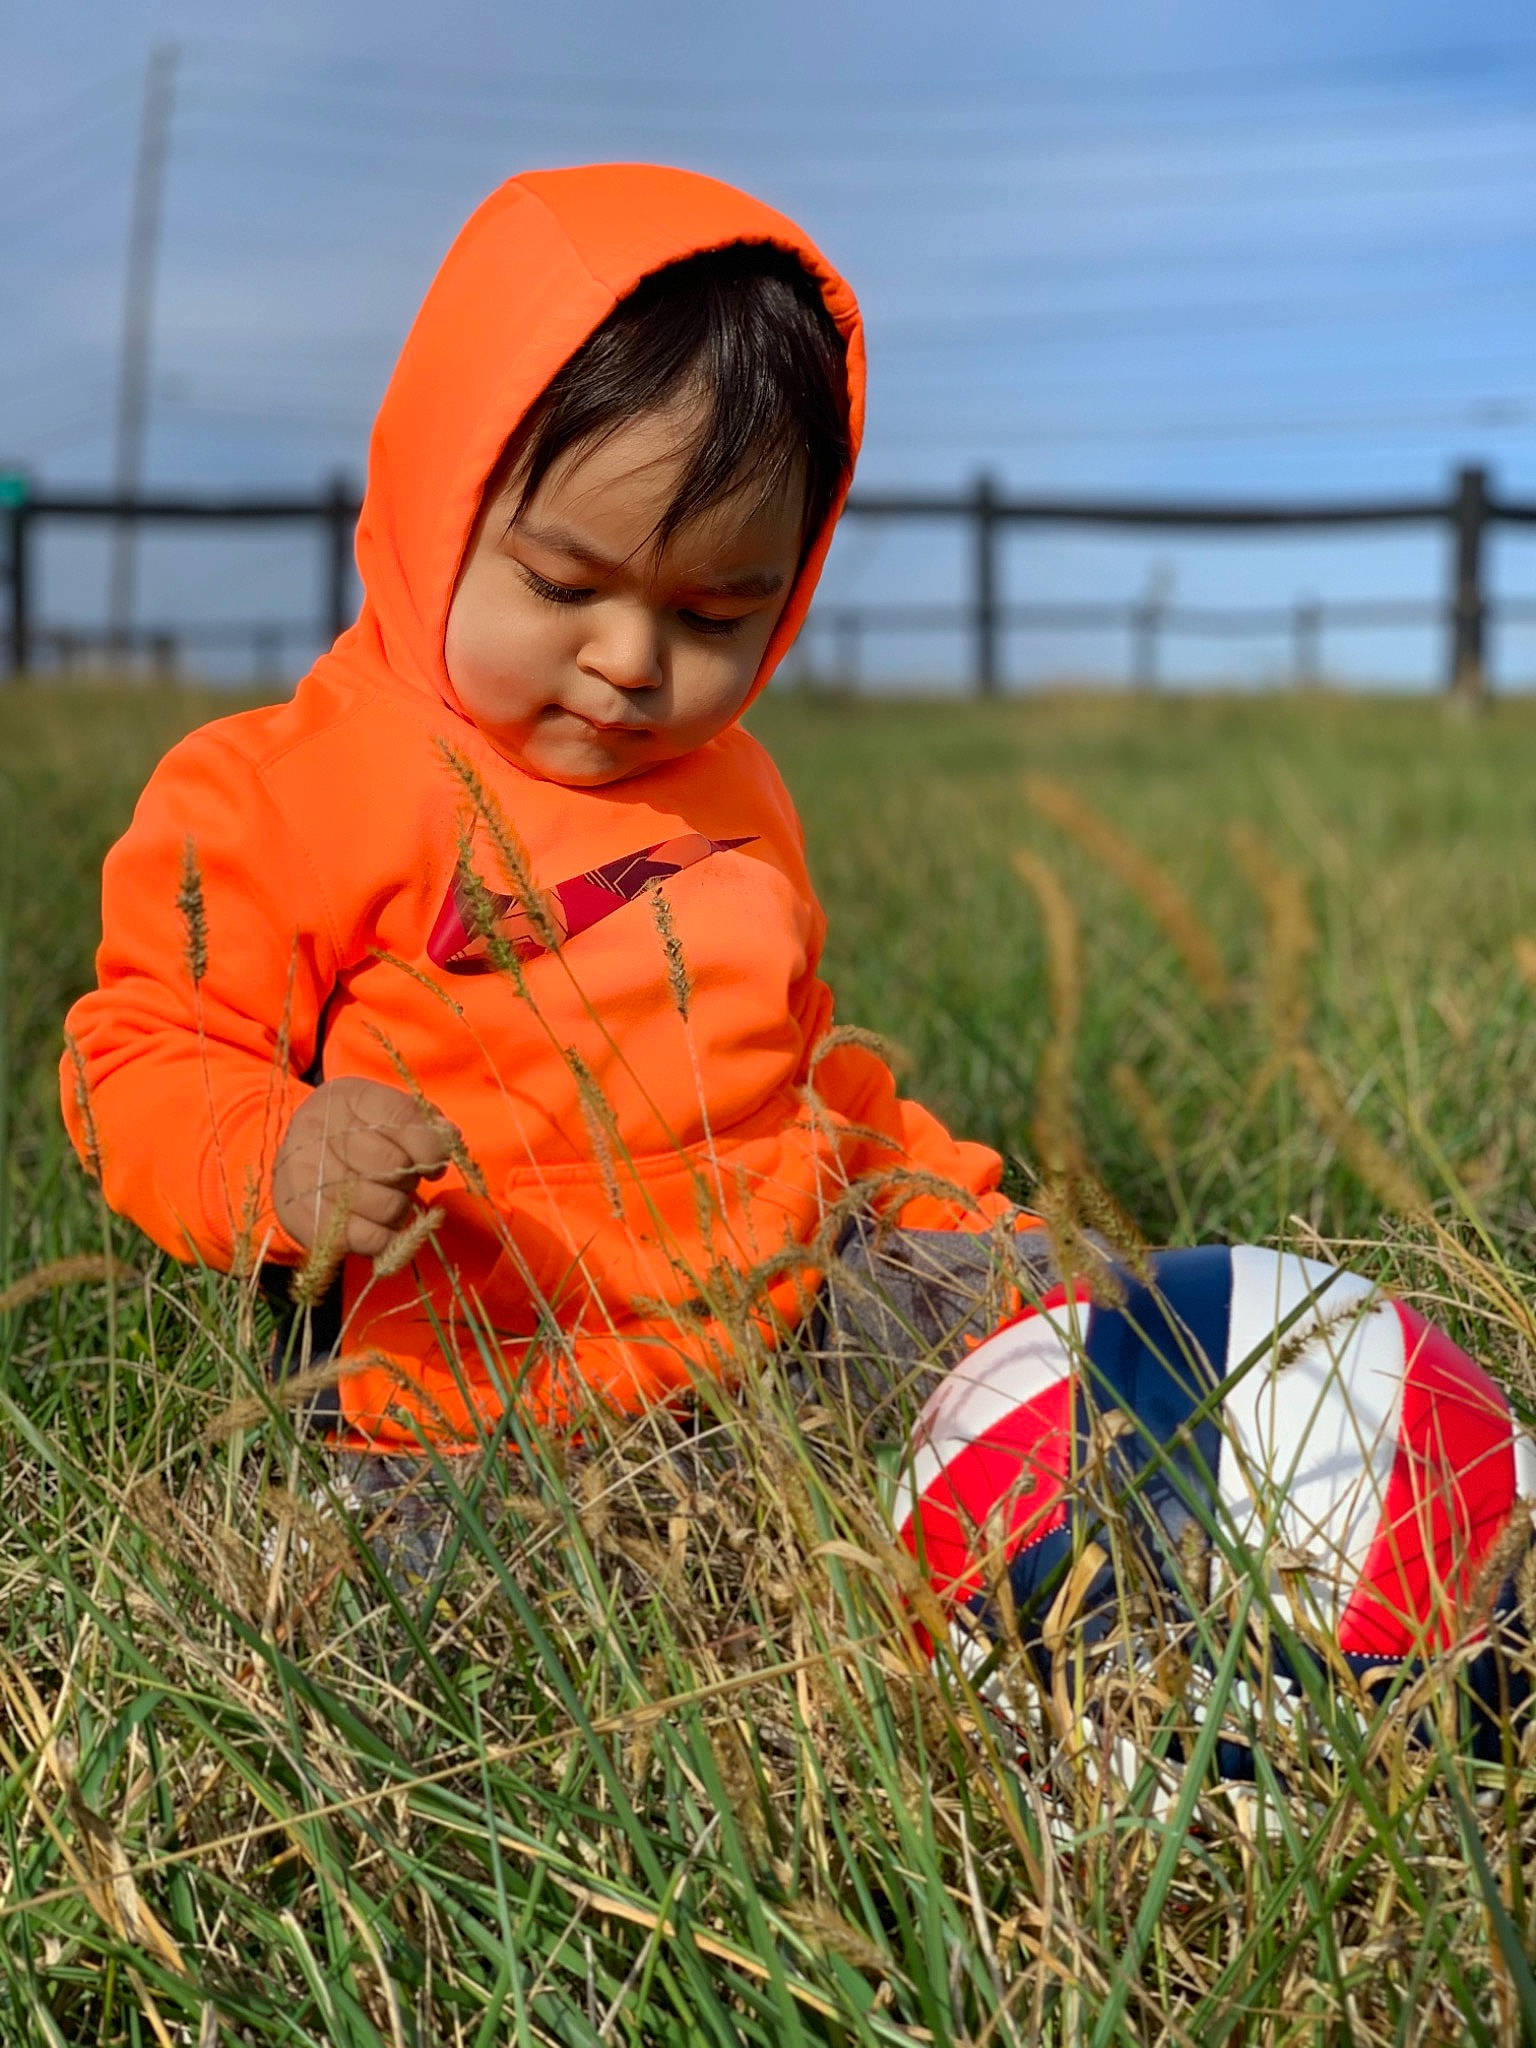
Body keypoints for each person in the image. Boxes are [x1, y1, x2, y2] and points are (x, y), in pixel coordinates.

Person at [61, 163, 1047, 1482]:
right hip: (483, 1392)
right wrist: (280, 1157)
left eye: (714, 617)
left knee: (1110, 1351)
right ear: (444, 505)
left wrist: (969, 1226)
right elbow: (145, 1056)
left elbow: (812, 1070)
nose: (634, 659)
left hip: (796, 1297)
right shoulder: (291, 789)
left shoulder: (734, 788)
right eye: (566, 583)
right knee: (624, 1612)